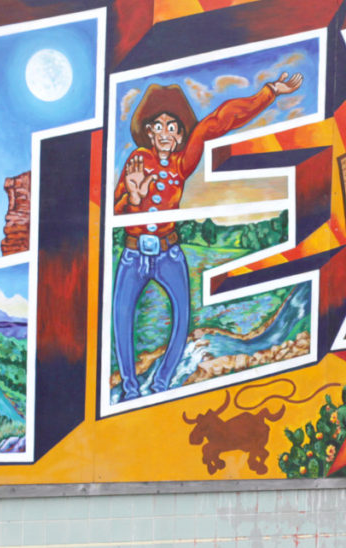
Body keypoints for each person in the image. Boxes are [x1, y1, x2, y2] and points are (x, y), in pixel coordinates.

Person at [112, 72, 302, 400]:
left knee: (182, 317)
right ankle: (130, 388)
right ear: (148, 131)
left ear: (181, 133)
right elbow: (113, 214)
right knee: (122, 318)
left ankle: (161, 383)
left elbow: (217, 122)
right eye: (159, 126)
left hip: (169, 253)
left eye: (173, 127)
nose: (166, 133)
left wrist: (269, 93)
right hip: (133, 255)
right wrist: (132, 197)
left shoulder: (182, 165)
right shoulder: (136, 161)